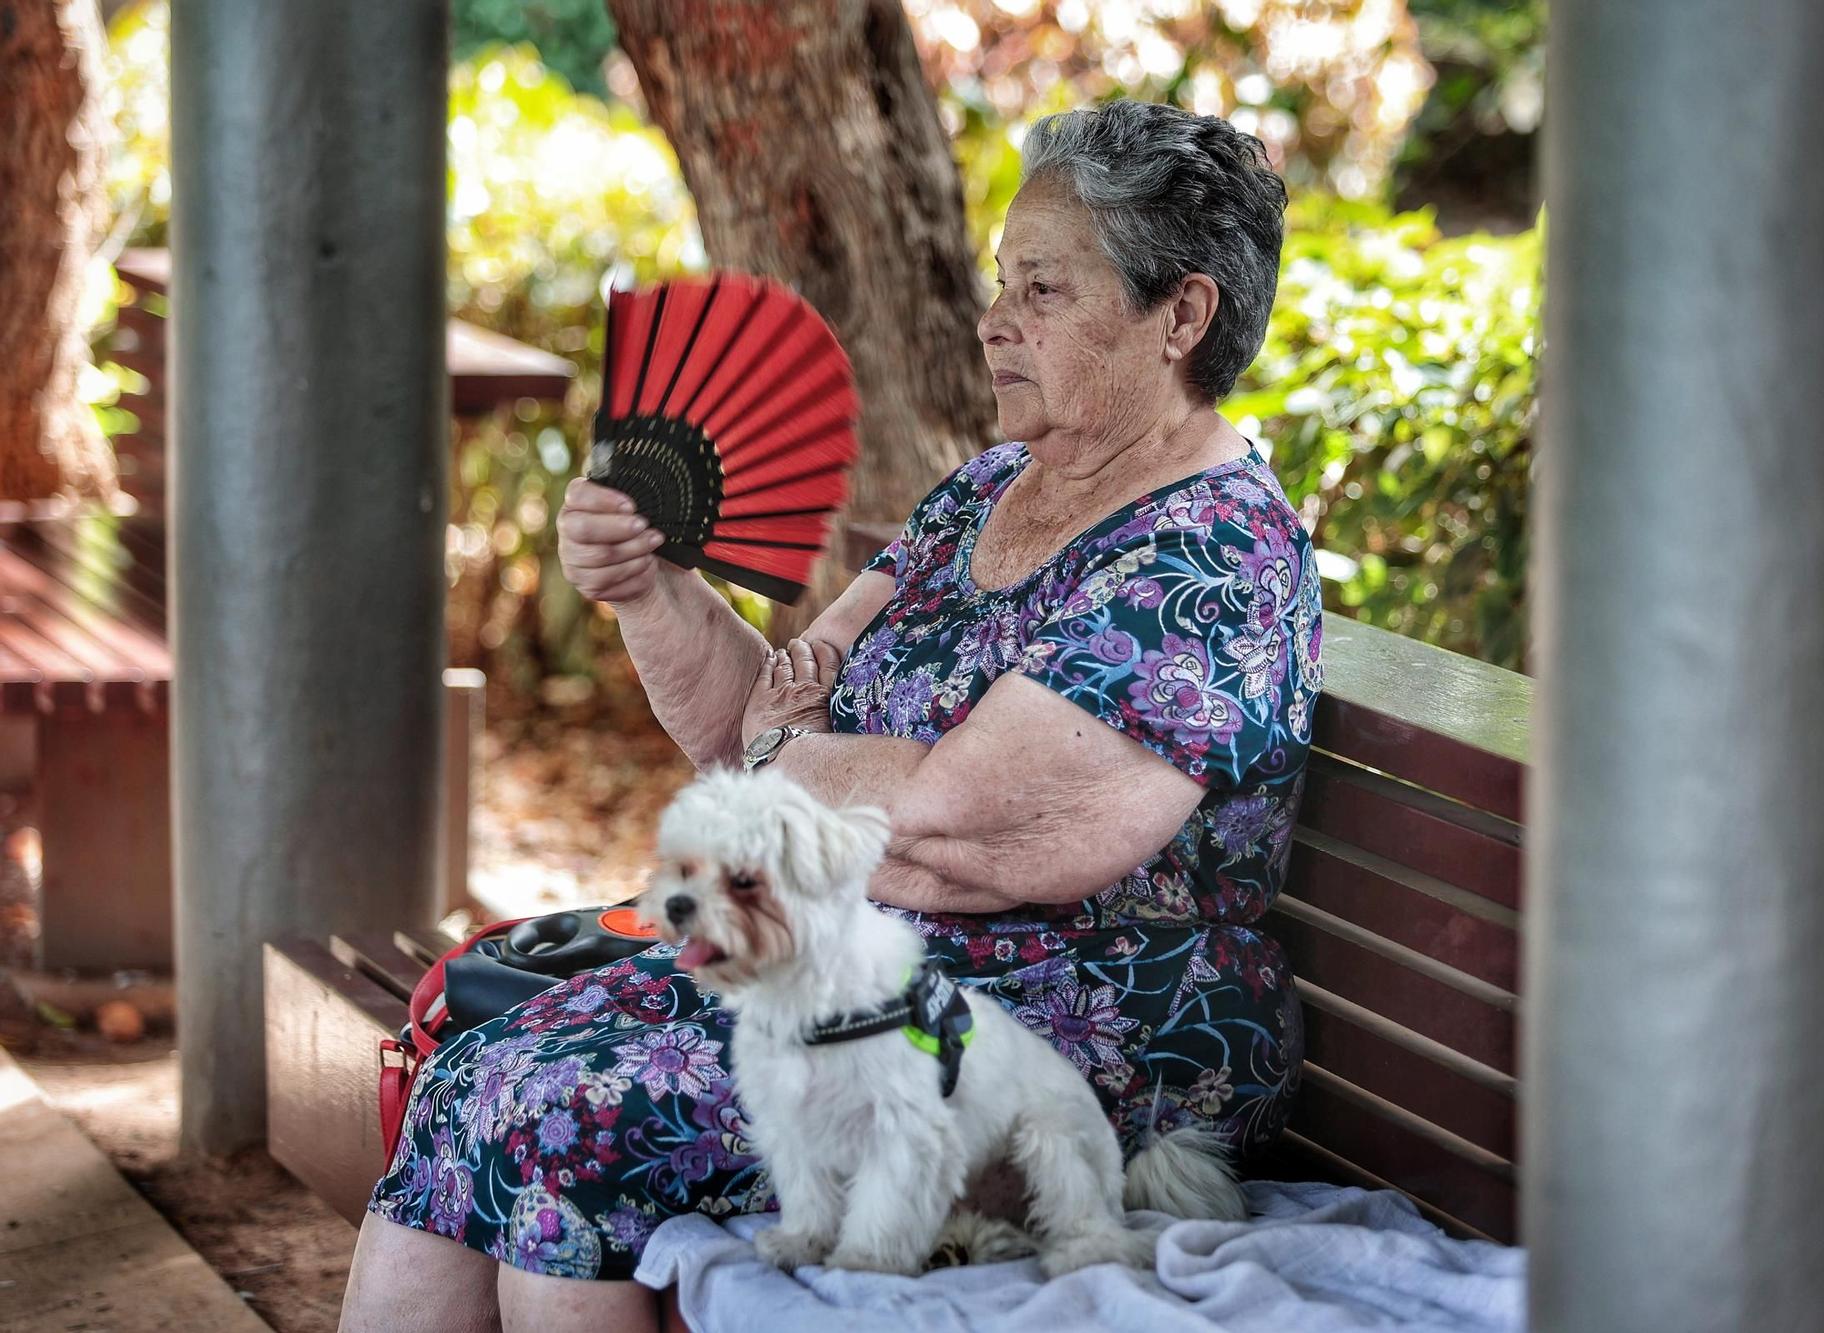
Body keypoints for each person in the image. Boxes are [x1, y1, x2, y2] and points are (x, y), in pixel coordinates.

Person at [341, 99, 1322, 1333]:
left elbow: (972, 821)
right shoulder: (986, 493)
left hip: (1103, 1014)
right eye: (1000, 280)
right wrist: (652, 582)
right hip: (879, 958)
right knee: (480, 1072)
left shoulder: (1215, 556)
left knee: (556, 1111)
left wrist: (801, 763)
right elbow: (755, 728)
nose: (992, 321)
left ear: (1180, 315)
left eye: (1044, 290)